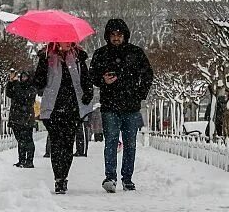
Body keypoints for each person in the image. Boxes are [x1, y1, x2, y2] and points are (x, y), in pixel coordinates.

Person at [90, 18, 154, 193]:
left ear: (125, 35)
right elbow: (92, 76)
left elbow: (148, 74)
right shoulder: (101, 54)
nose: (116, 38)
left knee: (130, 144)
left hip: (131, 106)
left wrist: (140, 93)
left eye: (119, 34)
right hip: (110, 105)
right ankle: (110, 177)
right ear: (108, 36)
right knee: (110, 142)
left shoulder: (136, 53)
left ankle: (127, 178)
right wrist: (103, 80)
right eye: (113, 35)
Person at [33, 41, 93, 195]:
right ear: (56, 41)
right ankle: (58, 178)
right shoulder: (47, 57)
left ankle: (63, 176)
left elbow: (85, 79)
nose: (67, 43)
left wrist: (88, 93)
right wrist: (43, 63)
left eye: (70, 41)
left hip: (73, 108)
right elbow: (38, 83)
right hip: (52, 108)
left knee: (67, 145)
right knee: (56, 143)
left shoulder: (78, 57)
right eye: (63, 40)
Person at [6, 69, 37, 167]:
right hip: (16, 117)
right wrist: (11, 82)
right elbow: (9, 94)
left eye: (25, 77)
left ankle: (29, 161)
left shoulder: (31, 87)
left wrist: (15, 84)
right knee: (20, 140)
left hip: (26, 117)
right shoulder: (17, 85)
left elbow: (23, 97)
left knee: (27, 140)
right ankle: (22, 160)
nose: (23, 79)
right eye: (22, 77)